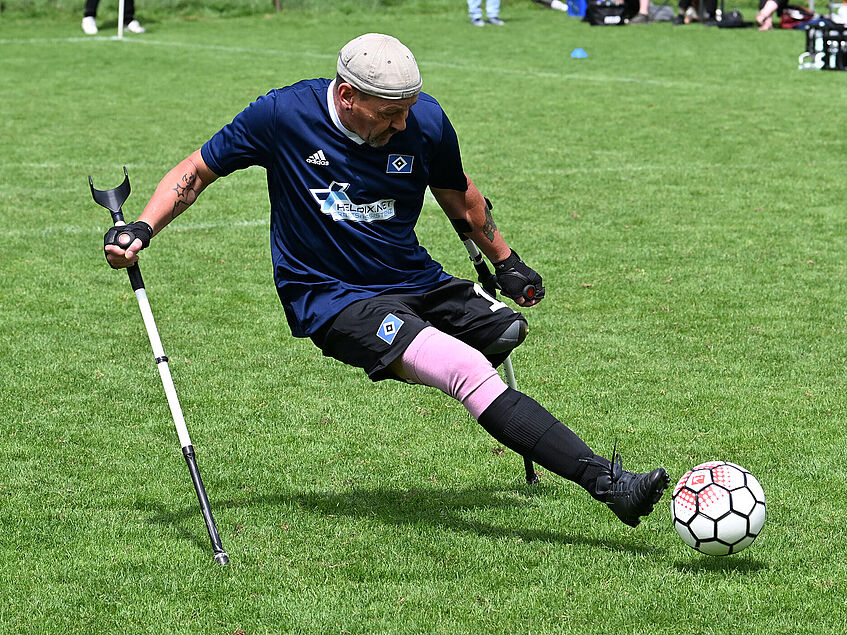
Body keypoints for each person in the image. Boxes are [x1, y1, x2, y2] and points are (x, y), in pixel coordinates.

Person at [103, 33, 669, 530]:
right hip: (330, 296)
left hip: (413, 277)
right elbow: (196, 171)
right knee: (467, 369)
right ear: (347, 96)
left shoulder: (423, 121)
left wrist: (505, 259)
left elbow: (457, 190)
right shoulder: (282, 115)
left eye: (407, 111)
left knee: (506, 333)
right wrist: (143, 228)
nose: (401, 124)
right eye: (388, 113)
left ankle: (422, 347)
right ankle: (609, 484)